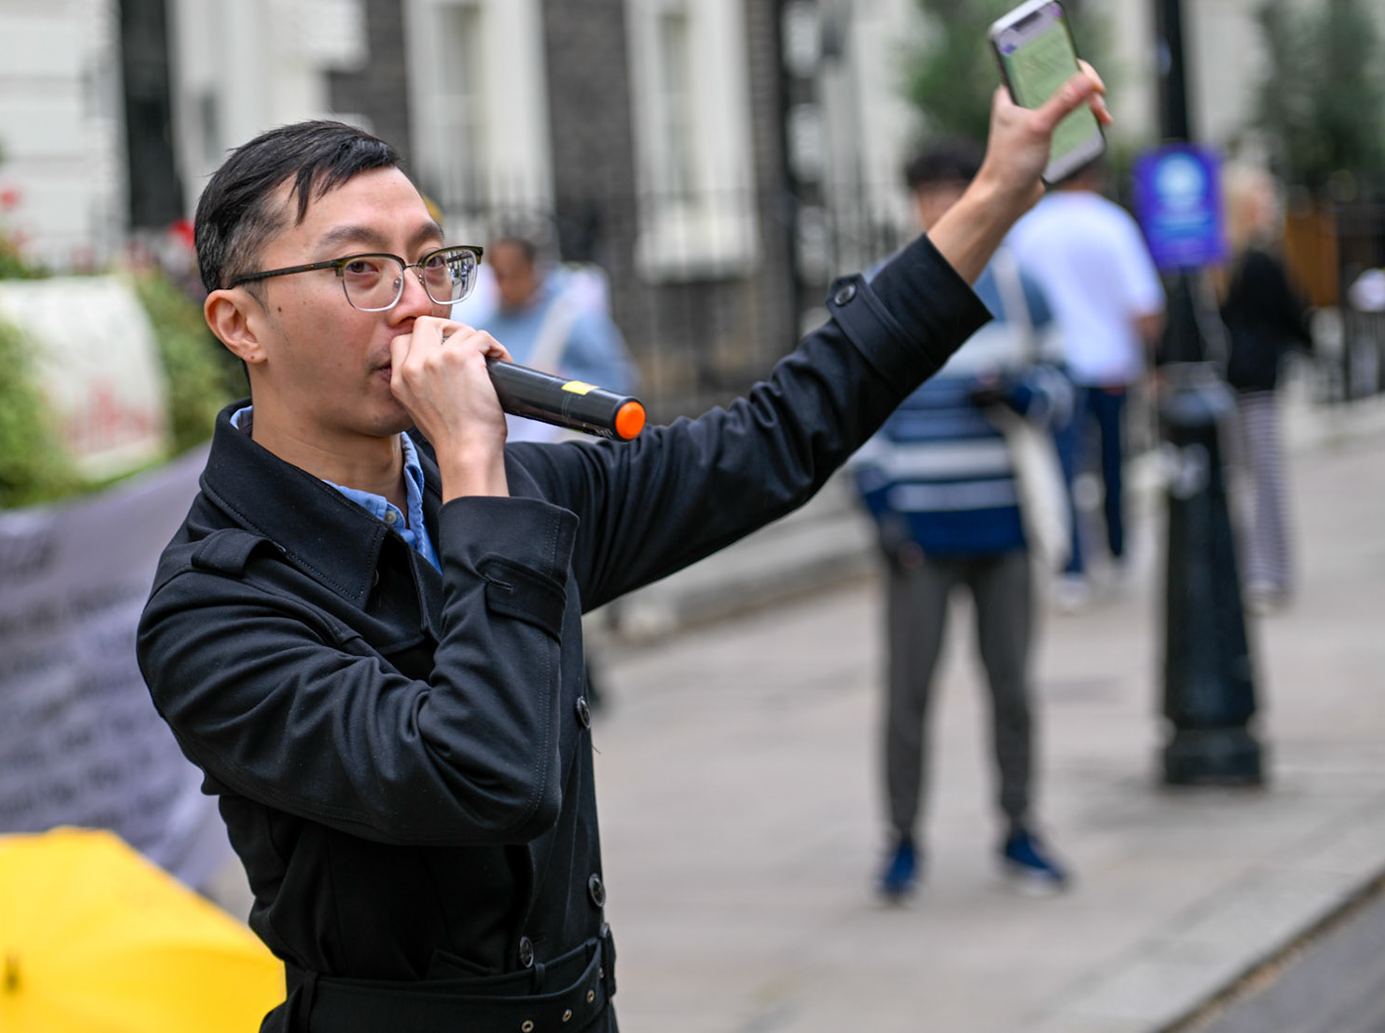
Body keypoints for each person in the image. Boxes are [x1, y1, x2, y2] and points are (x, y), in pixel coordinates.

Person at [137, 65, 1104, 1030]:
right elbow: (484, 775)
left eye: (430, 263)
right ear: (240, 323)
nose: (417, 304)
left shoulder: (515, 493)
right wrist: (476, 464)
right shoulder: (217, 608)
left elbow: (775, 437)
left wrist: (992, 200)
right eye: (360, 270)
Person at [851, 140, 1075, 904]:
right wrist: (882, 508)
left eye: (956, 190)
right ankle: (902, 841)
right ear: (914, 203)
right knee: (909, 695)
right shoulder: (885, 289)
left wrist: (1019, 395)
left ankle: (1019, 828)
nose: (944, 206)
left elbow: (1062, 391)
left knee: (1012, 687)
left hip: (1004, 523)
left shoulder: (1020, 286)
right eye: (930, 194)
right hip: (919, 531)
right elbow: (856, 410)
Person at [1006, 162, 1165, 602]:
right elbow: (1145, 306)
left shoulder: (1029, 229)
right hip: (1112, 363)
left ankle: (1072, 567)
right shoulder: (1113, 224)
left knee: (1065, 468)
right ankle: (1116, 550)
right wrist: (1154, 359)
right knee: (1114, 461)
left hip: (1053, 364)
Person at [1216, 165, 1314, 611]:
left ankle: (1240, 568)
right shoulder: (1259, 259)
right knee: (1265, 479)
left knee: (1234, 479)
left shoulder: (1214, 261)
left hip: (1223, 382)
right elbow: (1293, 315)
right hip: (1256, 382)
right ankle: (1267, 570)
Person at [456, 228, 638, 442]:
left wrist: (562, 384)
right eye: (496, 276)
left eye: (507, 276)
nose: (500, 287)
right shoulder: (488, 323)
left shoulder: (571, 317)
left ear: (530, 271)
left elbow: (619, 381)